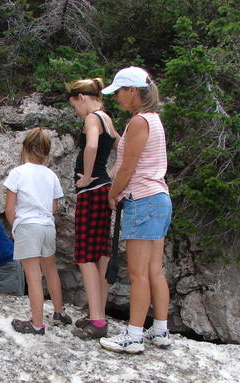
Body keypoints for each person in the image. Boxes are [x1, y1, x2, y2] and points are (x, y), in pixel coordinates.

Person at [98, 66, 173, 354]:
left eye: (118, 92)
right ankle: (160, 330)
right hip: (159, 199)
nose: (116, 97)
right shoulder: (153, 120)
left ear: (132, 91)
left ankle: (133, 335)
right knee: (155, 270)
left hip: (142, 200)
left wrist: (113, 193)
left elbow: (128, 167)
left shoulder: (140, 122)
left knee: (138, 274)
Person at [4, 127, 72, 335]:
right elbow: (54, 207)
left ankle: (36, 324)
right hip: (47, 226)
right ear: (47, 152)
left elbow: (9, 208)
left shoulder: (17, 173)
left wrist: (17, 226)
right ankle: (59, 312)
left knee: (33, 276)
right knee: (50, 270)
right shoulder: (51, 175)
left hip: (28, 226)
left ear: (25, 148)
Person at [67, 78, 120, 340]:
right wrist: (111, 176)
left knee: (85, 255)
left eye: (74, 105)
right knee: (100, 253)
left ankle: (98, 321)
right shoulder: (108, 119)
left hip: (91, 191)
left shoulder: (92, 119)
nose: (76, 112)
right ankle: (97, 313)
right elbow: (123, 149)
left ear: (82, 98)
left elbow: (91, 146)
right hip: (104, 189)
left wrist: (87, 176)